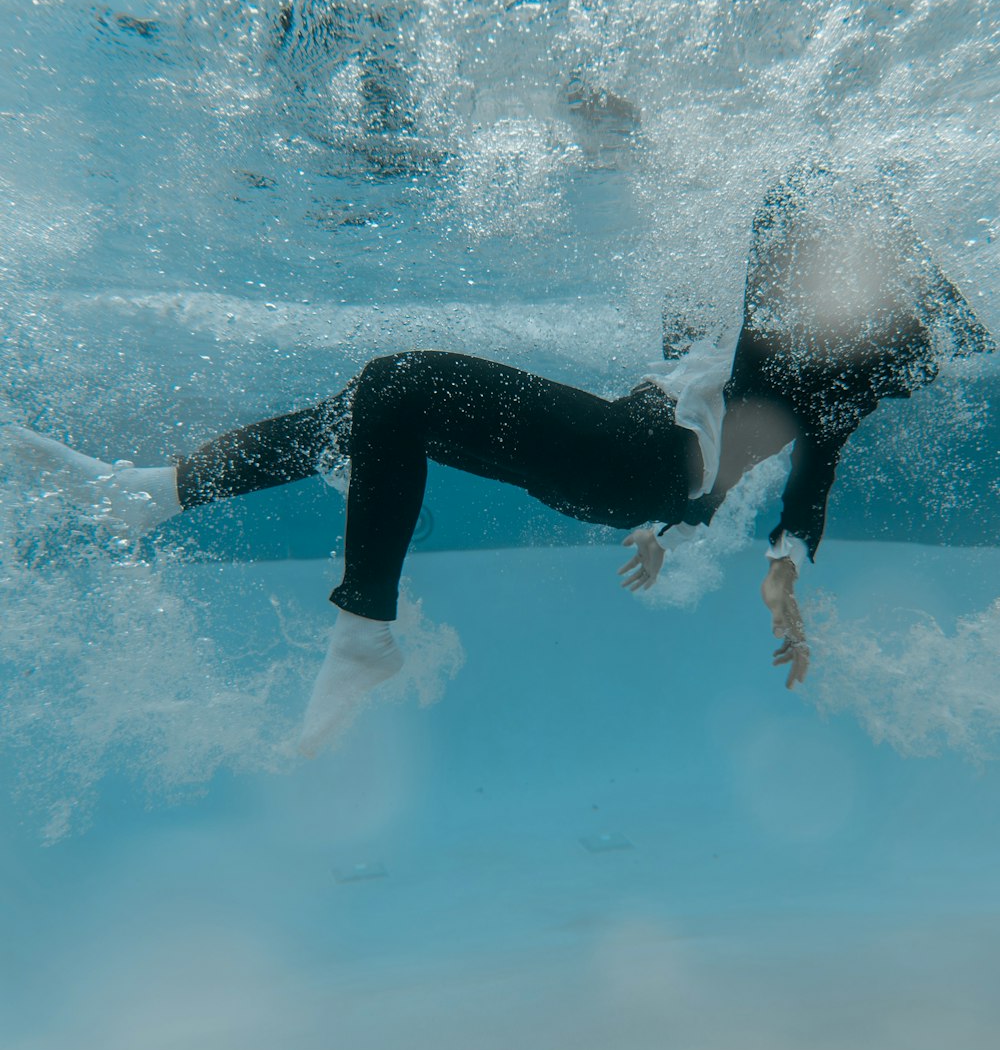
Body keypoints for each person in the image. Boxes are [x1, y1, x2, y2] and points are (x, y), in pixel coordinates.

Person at [11, 167, 993, 755]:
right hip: (628, 464)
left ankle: (363, 633)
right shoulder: (747, 321)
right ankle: (146, 491)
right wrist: (662, 526)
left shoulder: (827, 349)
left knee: (395, 386)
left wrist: (783, 584)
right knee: (360, 411)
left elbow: (802, 477)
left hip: (634, 460)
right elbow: (720, 430)